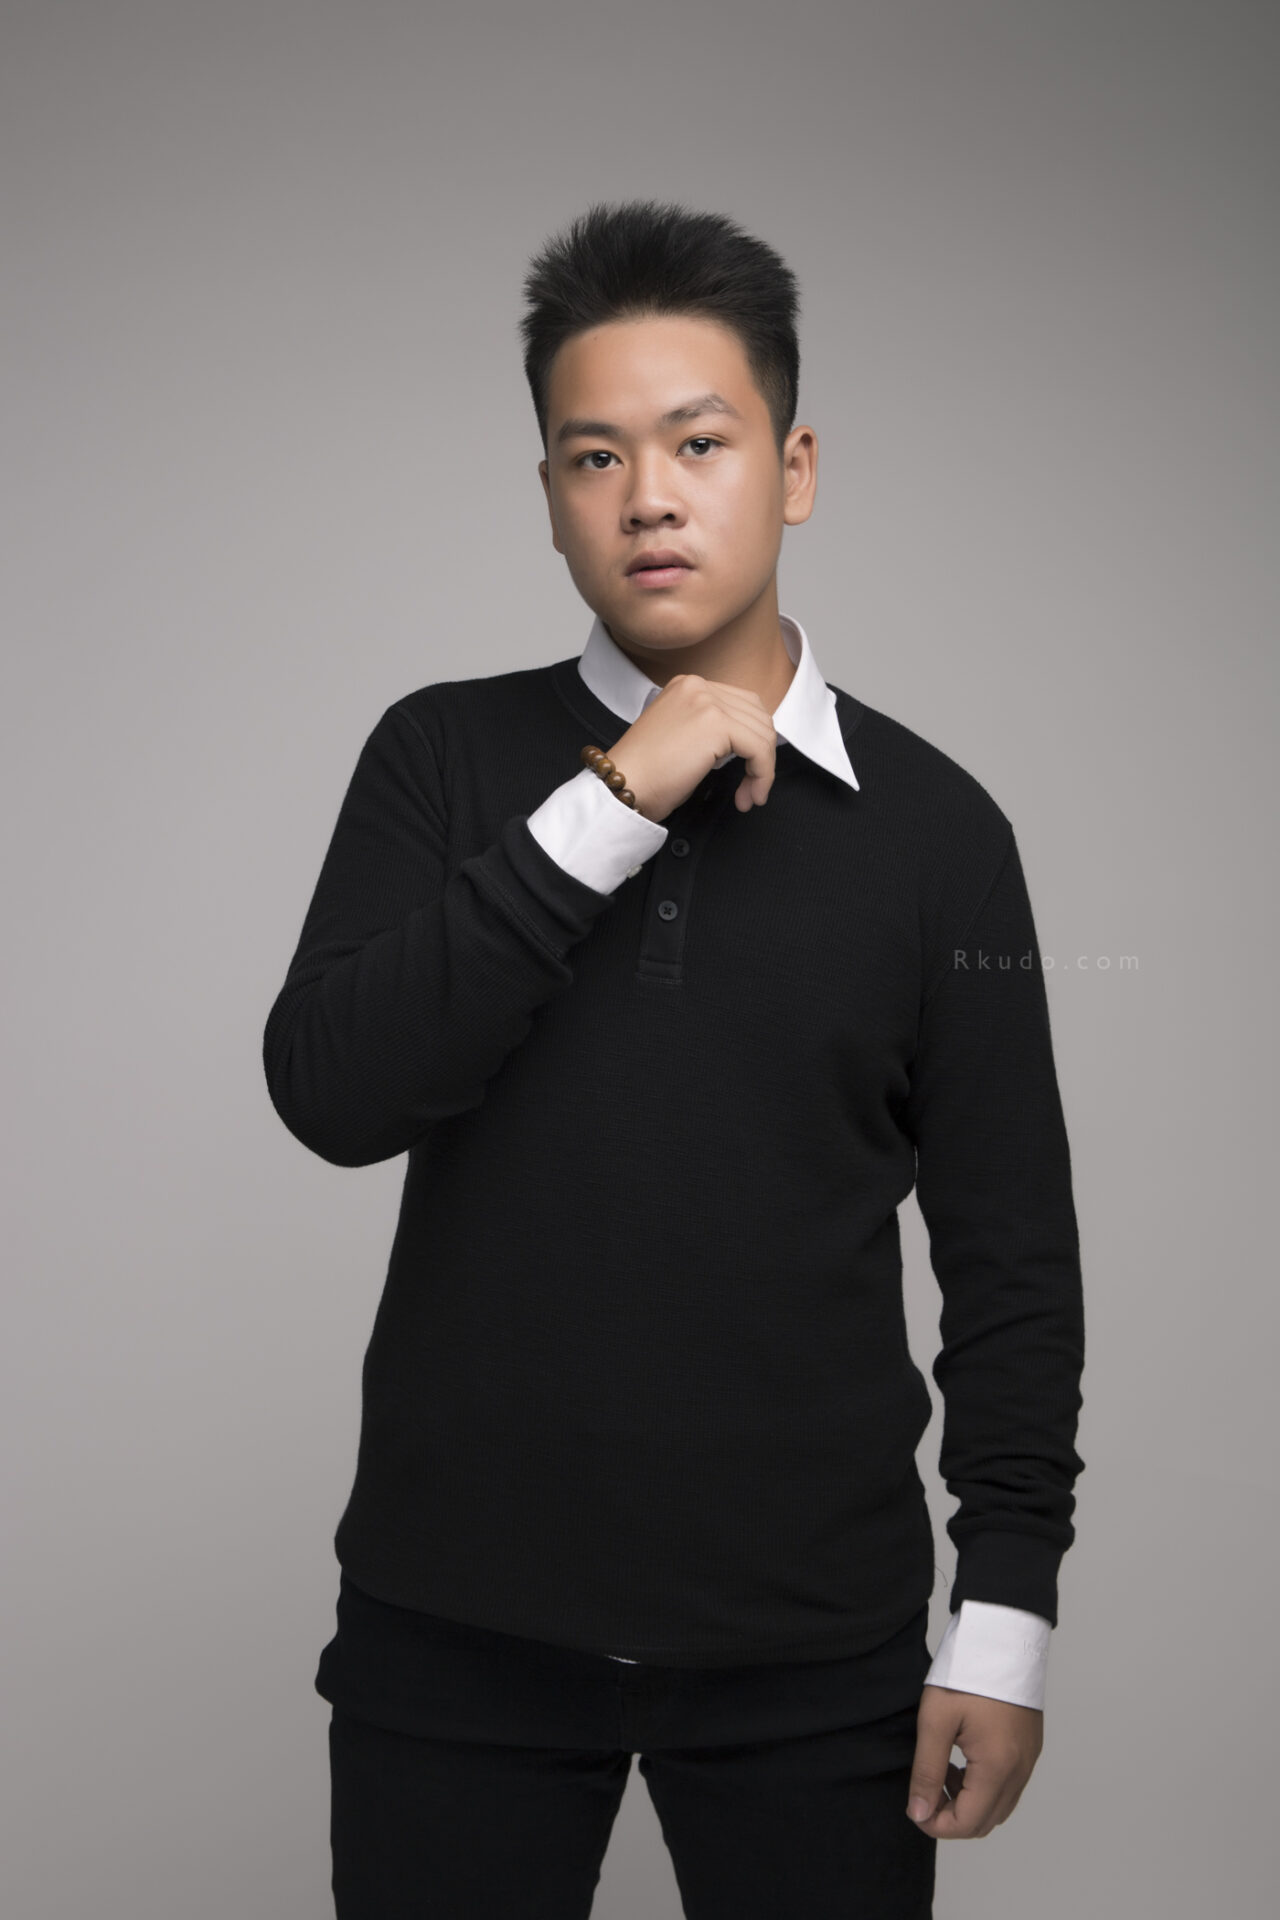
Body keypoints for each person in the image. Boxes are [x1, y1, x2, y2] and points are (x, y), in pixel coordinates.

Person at [262, 198, 1086, 1919]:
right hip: (454, 1631)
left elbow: (1013, 1258)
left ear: (794, 468)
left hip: (817, 1654)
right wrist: (616, 796)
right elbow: (332, 1094)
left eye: (699, 443)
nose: (648, 495)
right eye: (595, 456)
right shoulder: (441, 757)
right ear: (551, 493)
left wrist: (1004, 1616)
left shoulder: (942, 836)